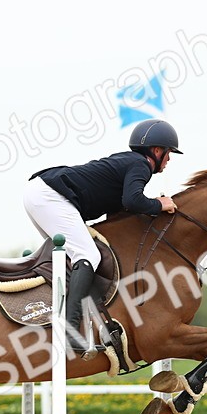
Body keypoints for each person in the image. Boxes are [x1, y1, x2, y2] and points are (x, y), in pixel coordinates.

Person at [23, 119, 181, 350]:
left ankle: (42, 310)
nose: (169, 159)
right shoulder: (141, 165)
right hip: (50, 196)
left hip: (41, 192)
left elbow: (119, 212)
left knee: (67, 258)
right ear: (157, 151)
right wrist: (159, 204)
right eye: (169, 153)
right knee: (88, 254)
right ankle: (69, 330)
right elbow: (132, 200)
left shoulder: (128, 162)